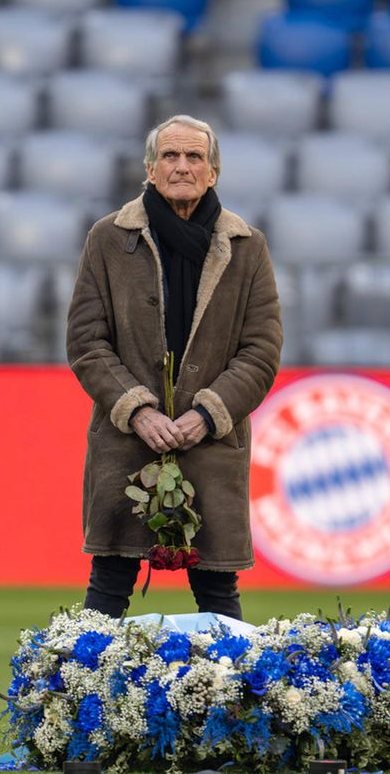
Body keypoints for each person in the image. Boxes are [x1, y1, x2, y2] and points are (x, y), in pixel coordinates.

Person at [66, 114, 283, 621]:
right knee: (109, 584)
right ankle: (85, 696)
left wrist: (206, 415)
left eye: (194, 157)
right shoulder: (107, 239)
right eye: (169, 156)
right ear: (149, 168)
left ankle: (230, 697)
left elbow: (261, 350)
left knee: (218, 591)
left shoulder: (248, 247)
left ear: (213, 173)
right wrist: (137, 410)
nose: (181, 166)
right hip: (127, 442)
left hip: (210, 444)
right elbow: (85, 342)